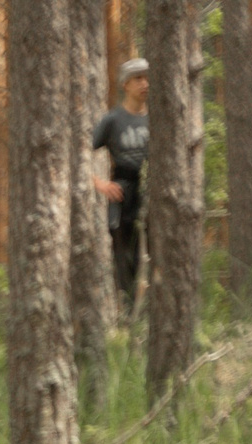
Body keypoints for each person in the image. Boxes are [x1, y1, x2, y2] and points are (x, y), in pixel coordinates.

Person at [92, 58, 150, 313]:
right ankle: (128, 317)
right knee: (125, 260)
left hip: (154, 194)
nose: (144, 84)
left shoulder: (157, 118)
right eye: (138, 78)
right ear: (125, 84)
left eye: (146, 78)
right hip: (123, 196)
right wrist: (100, 183)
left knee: (155, 256)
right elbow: (79, 152)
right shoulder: (113, 120)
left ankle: (151, 316)